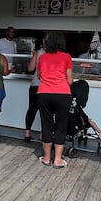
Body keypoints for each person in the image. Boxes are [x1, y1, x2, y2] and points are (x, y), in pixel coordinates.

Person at [37, 31, 73, 169]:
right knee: (60, 126)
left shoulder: (42, 57)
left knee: (46, 125)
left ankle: (46, 158)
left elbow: (40, 76)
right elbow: (69, 80)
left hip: (44, 93)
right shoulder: (66, 57)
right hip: (63, 94)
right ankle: (57, 160)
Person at [24, 34, 46, 143]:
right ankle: (42, 134)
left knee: (32, 110)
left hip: (35, 85)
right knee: (45, 112)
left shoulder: (38, 53)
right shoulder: (54, 54)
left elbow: (30, 68)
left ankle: (27, 133)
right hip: (46, 87)